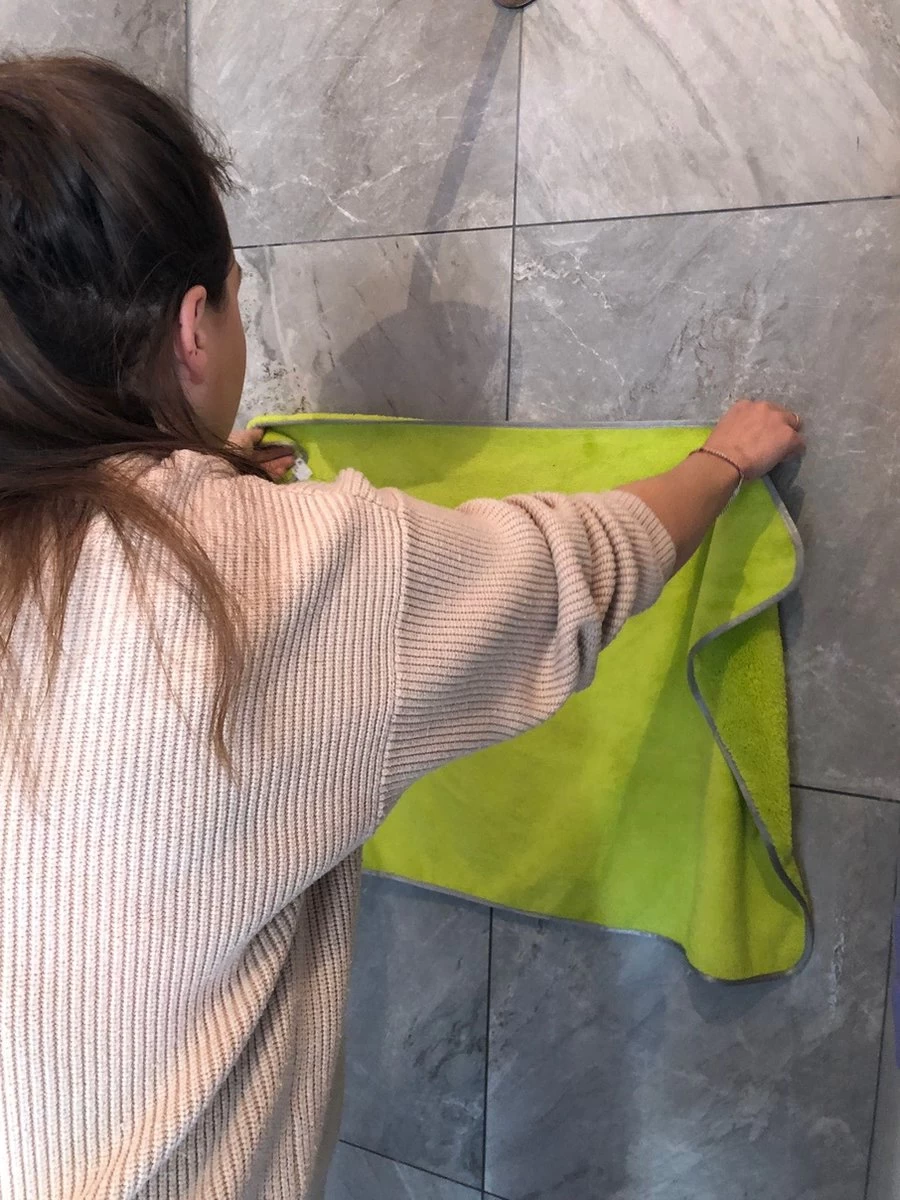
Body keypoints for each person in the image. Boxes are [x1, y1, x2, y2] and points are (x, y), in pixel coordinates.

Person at [0, 54, 804, 1200]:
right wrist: (720, 463)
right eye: (237, 298)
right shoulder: (274, 575)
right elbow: (571, 569)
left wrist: (213, 488)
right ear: (194, 329)